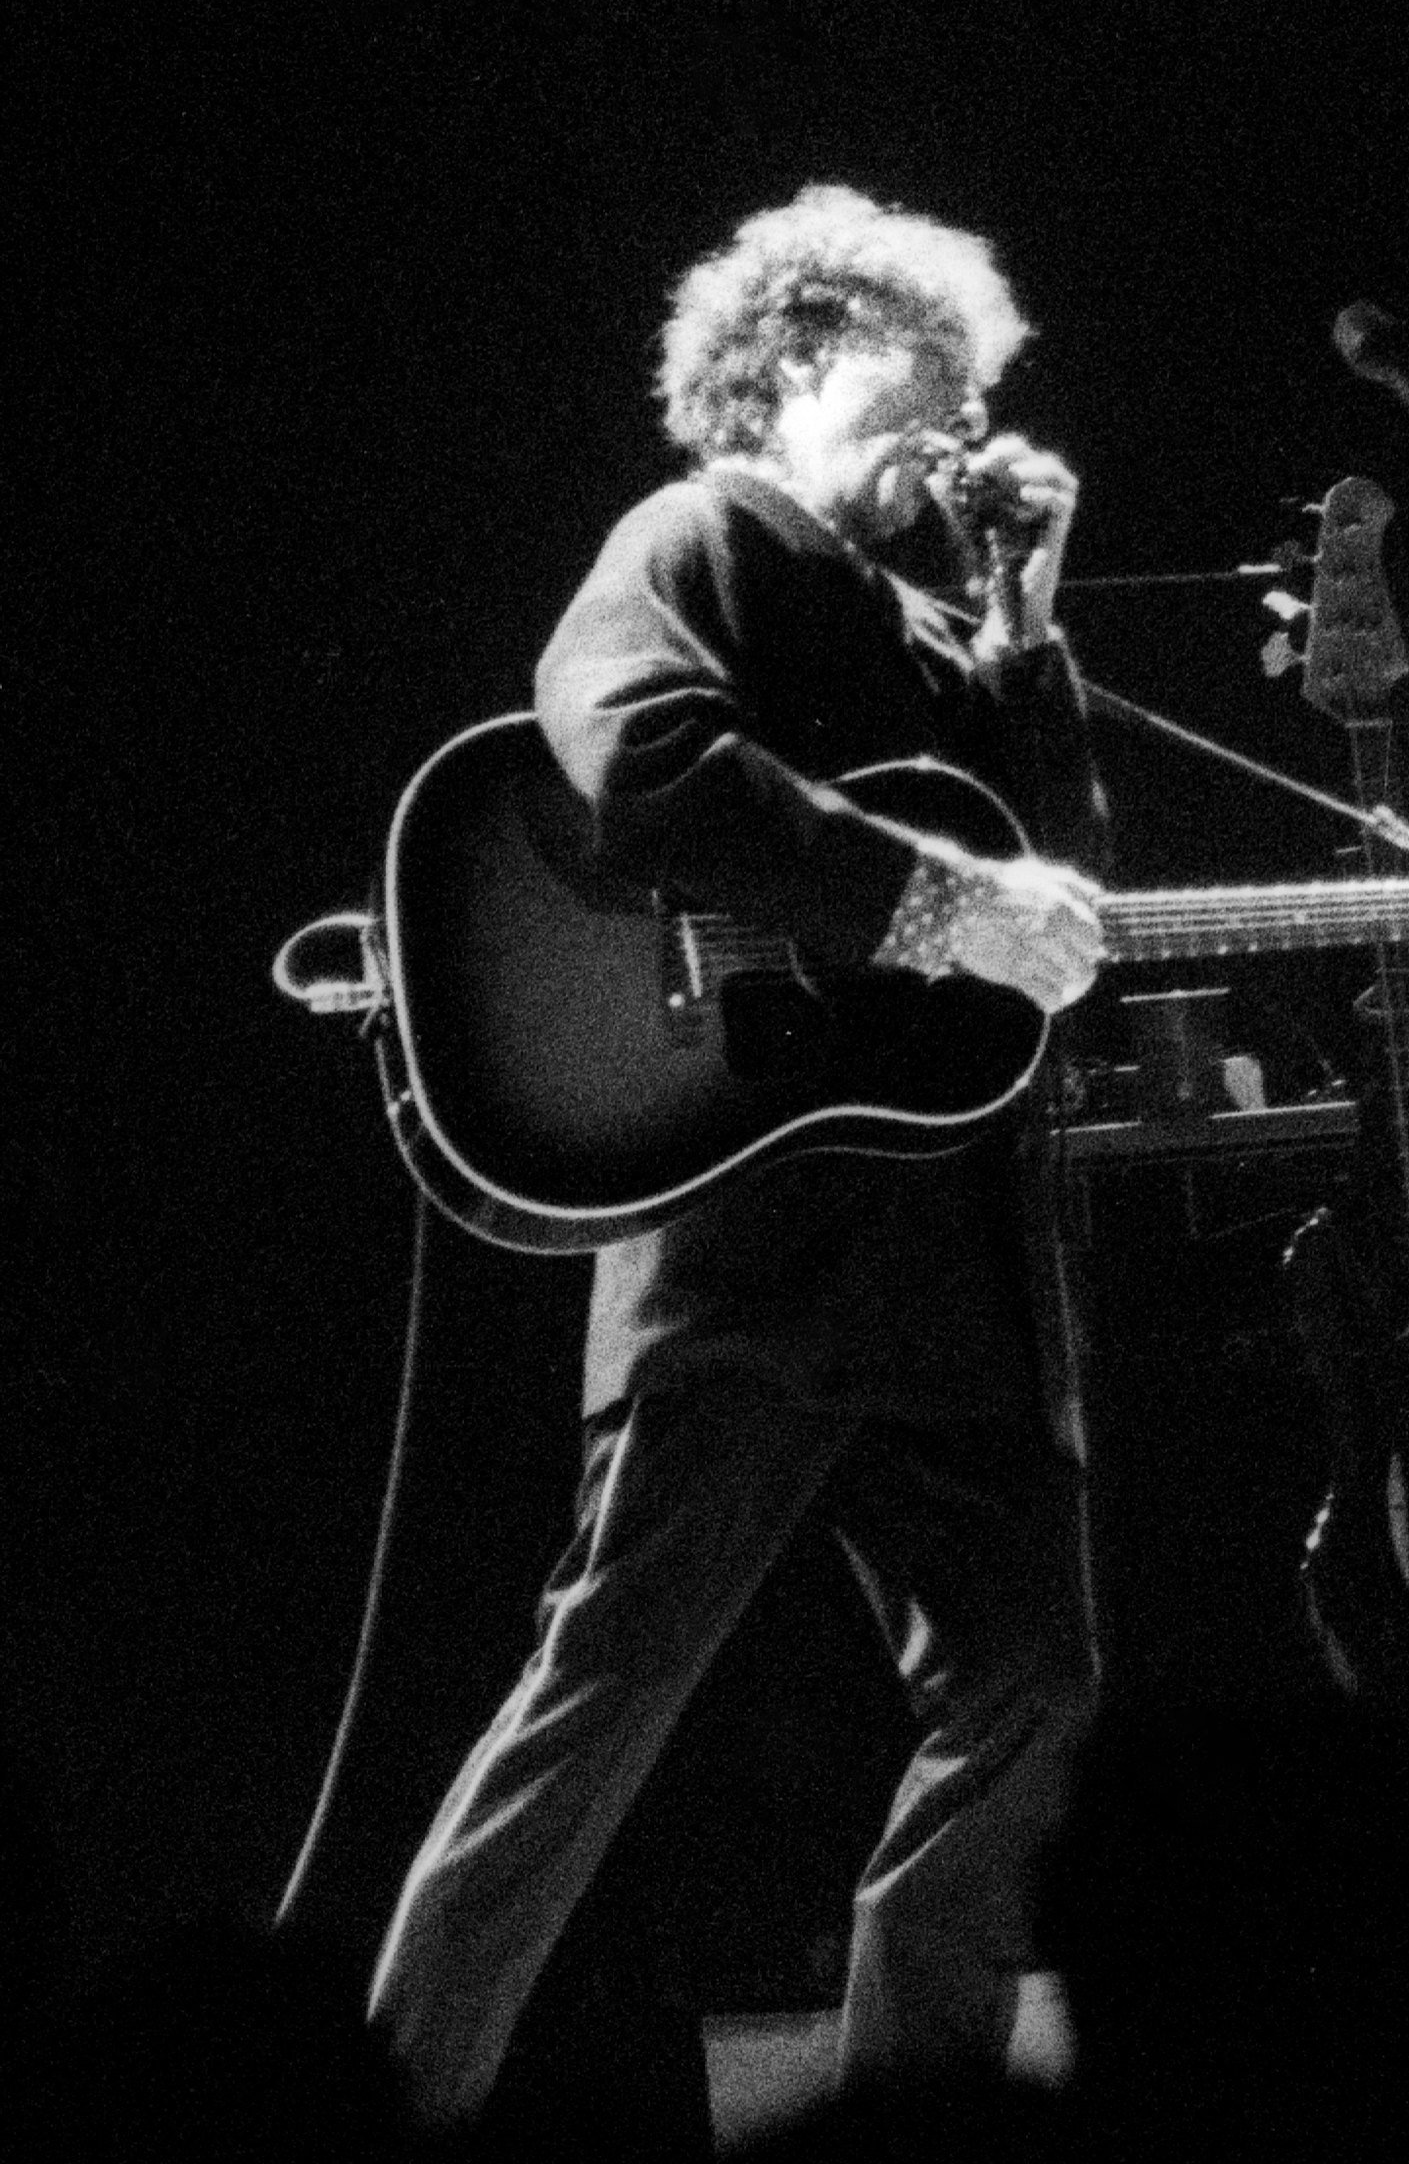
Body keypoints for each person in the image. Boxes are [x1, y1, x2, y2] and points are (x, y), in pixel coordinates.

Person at [367, 184, 1113, 2122]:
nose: (958, 415)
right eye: (918, 370)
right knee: (598, 1711)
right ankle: (382, 2102)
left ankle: (909, 2099)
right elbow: (638, 765)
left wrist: (1030, 638)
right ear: (783, 364)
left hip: (949, 1273)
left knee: (1034, 1683)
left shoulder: (947, 625)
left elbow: (1073, 915)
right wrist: (935, 908)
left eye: (977, 383)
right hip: (753, 1261)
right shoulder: (699, 538)